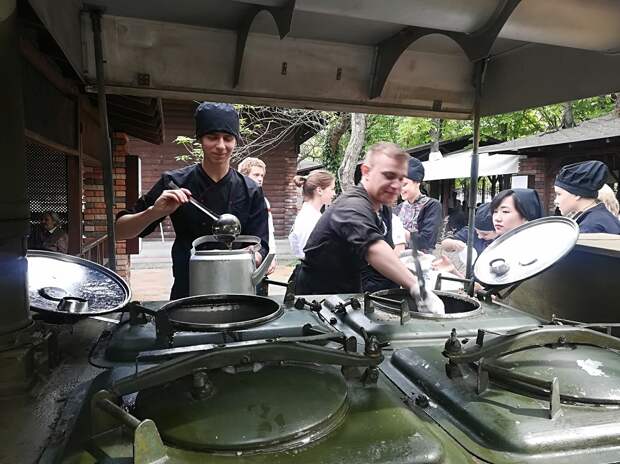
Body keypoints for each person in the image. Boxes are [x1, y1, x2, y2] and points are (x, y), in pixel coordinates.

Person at [115, 102, 269, 299]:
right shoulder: (174, 183)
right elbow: (120, 231)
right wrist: (155, 212)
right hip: (187, 290)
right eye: (212, 137)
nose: (221, 146)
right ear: (200, 139)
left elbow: (261, 244)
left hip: (237, 289)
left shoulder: (251, 190)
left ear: (235, 141)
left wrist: (254, 256)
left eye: (228, 138)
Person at [295, 142, 443, 313]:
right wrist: (416, 287)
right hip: (316, 296)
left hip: (349, 290)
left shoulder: (383, 208)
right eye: (388, 175)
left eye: (401, 179)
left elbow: (386, 252)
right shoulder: (352, 205)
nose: (396, 185)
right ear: (366, 172)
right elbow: (374, 249)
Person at [554, 160, 620, 234]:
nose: (556, 201)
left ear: (577, 194)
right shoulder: (599, 216)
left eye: (559, 194)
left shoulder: (591, 227)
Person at [393, 157, 443, 253]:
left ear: (417, 182)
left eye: (404, 185)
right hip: (399, 259)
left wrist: (400, 233)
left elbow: (428, 241)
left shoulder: (432, 206)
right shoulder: (398, 208)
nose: (400, 190)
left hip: (421, 261)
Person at [237, 157, 277, 274]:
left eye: (262, 175)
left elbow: (269, 231)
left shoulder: (264, 201)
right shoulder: (235, 198)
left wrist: (271, 256)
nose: (260, 179)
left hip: (259, 254)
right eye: (256, 175)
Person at [288, 170, 336, 259]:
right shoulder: (308, 219)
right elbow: (310, 253)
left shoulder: (313, 214)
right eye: (332, 189)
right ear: (319, 190)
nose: (334, 193)